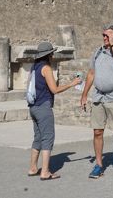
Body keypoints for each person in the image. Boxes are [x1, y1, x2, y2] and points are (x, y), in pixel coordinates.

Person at [27, 41, 82, 180]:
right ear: (49, 54)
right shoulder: (46, 68)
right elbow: (54, 89)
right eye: (52, 53)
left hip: (33, 107)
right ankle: (45, 172)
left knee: (38, 138)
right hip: (43, 107)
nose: (53, 55)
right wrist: (72, 83)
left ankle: (33, 168)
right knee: (47, 138)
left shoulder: (34, 67)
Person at [80, 26, 113, 179]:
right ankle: (99, 165)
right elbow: (91, 73)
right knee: (97, 131)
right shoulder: (97, 52)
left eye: (108, 35)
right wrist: (84, 94)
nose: (105, 38)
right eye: (104, 35)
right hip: (98, 97)